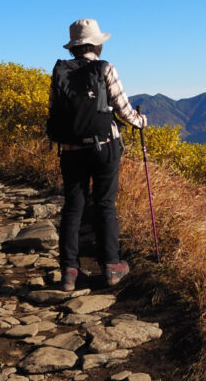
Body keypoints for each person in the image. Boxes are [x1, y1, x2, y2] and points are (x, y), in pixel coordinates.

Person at [48, 18, 147, 291]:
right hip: (104, 146)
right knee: (104, 204)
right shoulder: (105, 68)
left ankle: (69, 271)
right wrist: (141, 121)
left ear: (74, 48)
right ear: (96, 45)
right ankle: (111, 267)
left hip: (70, 149)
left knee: (73, 207)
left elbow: (54, 110)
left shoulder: (60, 72)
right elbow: (123, 108)